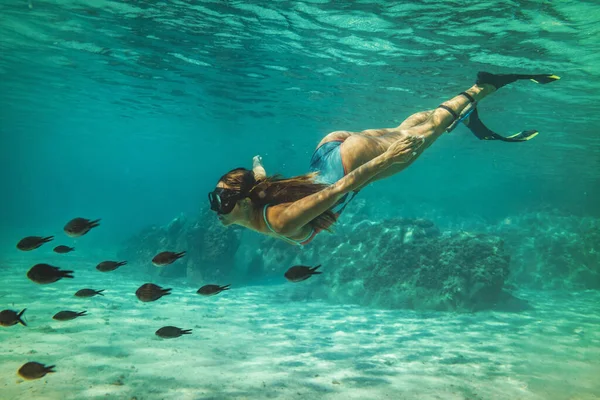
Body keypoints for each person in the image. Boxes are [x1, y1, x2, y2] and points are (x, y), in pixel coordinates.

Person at [208, 71, 560, 246]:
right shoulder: (260, 196)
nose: (216, 206)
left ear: (240, 201)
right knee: (408, 127)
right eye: (216, 198)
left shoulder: (279, 221)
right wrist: (255, 166)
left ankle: (486, 85)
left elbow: (338, 190)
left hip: (352, 162)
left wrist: (386, 159)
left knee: (429, 130)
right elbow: (260, 180)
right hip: (328, 150)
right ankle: (464, 114)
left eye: (222, 198)